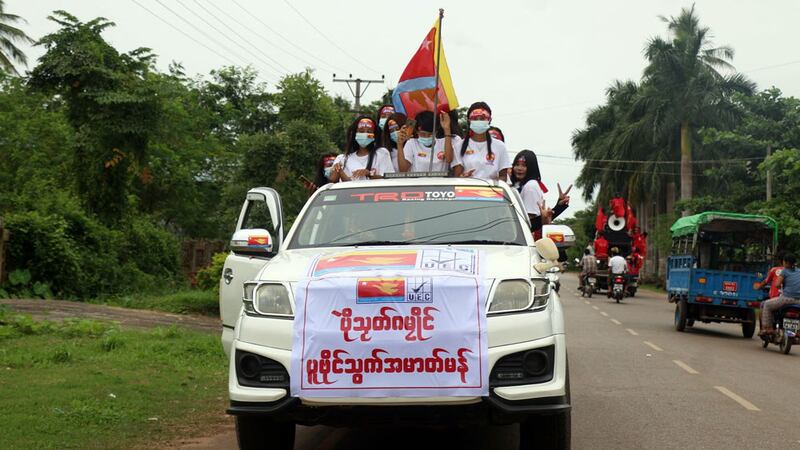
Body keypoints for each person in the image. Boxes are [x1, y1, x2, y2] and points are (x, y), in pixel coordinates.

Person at [509, 150, 571, 238]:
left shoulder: (530, 186)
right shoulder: (518, 185)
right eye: (517, 165)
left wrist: (558, 209)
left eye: (524, 165)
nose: (519, 168)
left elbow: (529, 224)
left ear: (531, 168)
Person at [452, 102, 511, 181]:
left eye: (482, 118)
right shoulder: (459, 146)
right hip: (466, 191)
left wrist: (492, 182)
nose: (478, 121)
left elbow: (503, 177)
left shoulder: (500, 146)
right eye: (475, 119)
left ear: (489, 120)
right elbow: (457, 177)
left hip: (491, 192)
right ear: (469, 120)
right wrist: (463, 177)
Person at [330, 116, 394, 182]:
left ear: (374, 135)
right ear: (354, 134)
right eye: (361, 131)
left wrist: (369, 174)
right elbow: (334, 181)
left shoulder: (381, 153)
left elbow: (389, 178)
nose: (365, 134)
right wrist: (338, 171)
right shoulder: (343, 159)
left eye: (369, 131)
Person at [396, 110, 461, 173]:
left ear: (436, 132)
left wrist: (447, 129)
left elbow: (449, 159)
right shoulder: (411, 143)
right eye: (423, 134)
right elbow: (403, 170)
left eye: (430, 134)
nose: (426, 137)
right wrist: (400, 144)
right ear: (417, 131)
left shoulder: (444, 143)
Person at [759, 253, 800, 336]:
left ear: (786, 262)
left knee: (766, 304)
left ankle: (768, 329)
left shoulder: (784, 271)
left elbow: (777, 284)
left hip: (786, 299)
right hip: (798, 301)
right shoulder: (799, 271)